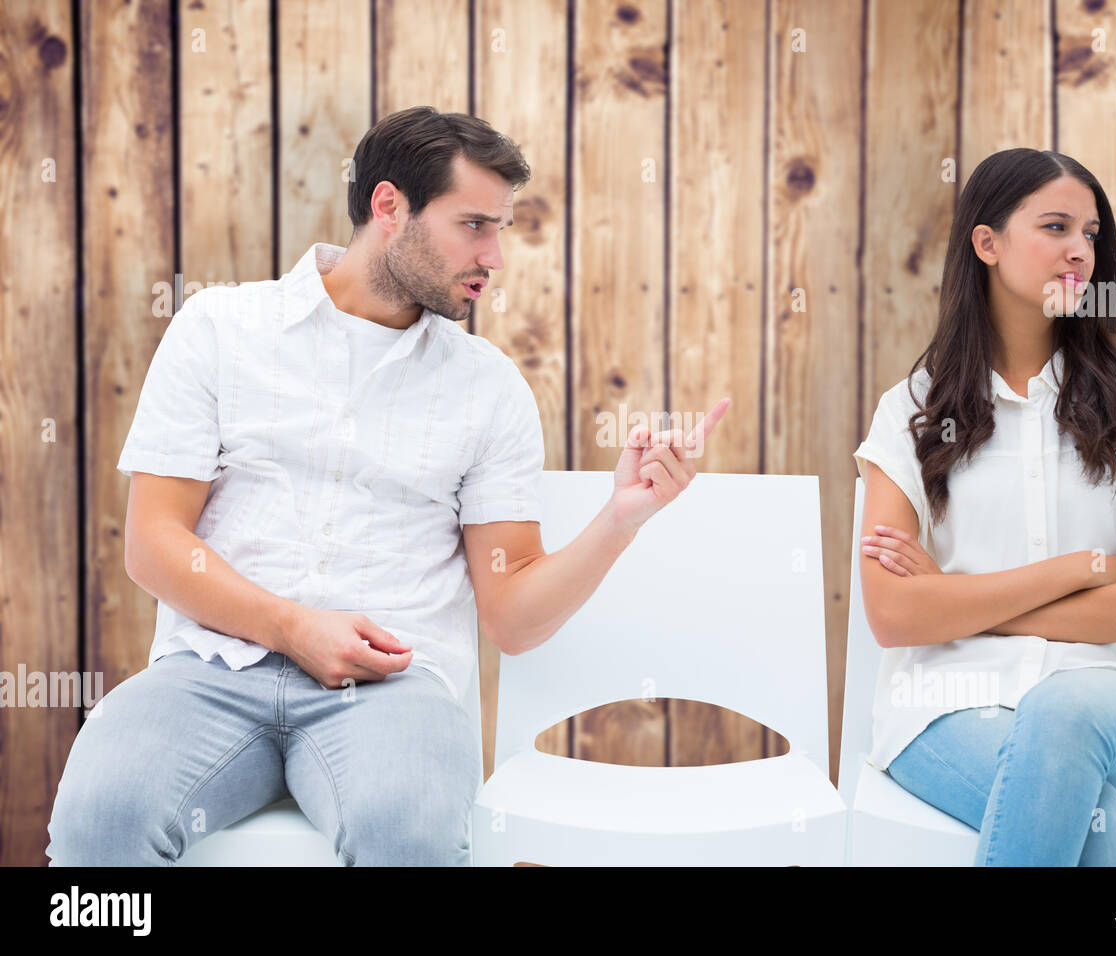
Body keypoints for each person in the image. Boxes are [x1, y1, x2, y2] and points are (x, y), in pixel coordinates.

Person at [45, 106, 729, 866]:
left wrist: (620, 519)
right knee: (97, 821)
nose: (495, 256)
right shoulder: (219, 328)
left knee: (410, 838)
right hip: (209, 671)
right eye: (475, 225)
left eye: (501, 228)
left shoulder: (489, 389)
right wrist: (292, 627)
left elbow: (513, 618)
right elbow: (154, 544)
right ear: (389, 207)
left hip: (391, 693)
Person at [854, 147, 1116, 866]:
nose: (1081, 251)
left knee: (1061, 711)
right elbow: (894, 616)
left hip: (1115, 701)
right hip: (945, 708)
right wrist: (1078, 571)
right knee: (1097, 824)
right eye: (1056, 228)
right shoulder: (911, 412)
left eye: (1091, 234)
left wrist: (956, 599)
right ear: (987, 243)